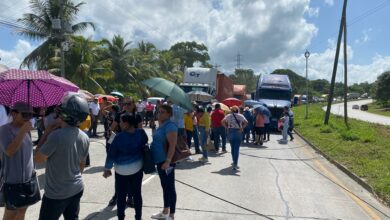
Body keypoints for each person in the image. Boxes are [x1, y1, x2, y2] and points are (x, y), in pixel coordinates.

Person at [35, 93, 90, 220]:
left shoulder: (56, 136)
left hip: (56, 194)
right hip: (76, 188)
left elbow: (38, 158)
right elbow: (81, 165)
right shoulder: (84, 137)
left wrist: (48, 130)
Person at [103, 114, 148, 220]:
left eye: (122, 122)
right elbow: (145, 141)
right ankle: (138, 217)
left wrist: (107, 168)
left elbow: (111, 154)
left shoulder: (118, 136)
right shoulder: (141, 133)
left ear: (127, 123)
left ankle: (121, 217)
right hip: (137, 168)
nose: (120, 124)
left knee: (121, 195)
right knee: (137, 194)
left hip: (121, 171)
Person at [0, 102, 36, 220]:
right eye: (25, 114)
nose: (28, 118)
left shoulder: (26, 130)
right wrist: (22, 132)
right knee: (11, 214)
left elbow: (29, 152)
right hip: (12, 180)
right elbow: (9, 151)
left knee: (22, 211)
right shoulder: (4, 130)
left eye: (30, 115)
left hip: (28, 179)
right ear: (14, 114)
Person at [108, 98, 141, 207]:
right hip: (121, 149)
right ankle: (116, 195)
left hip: (133, 149)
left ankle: (130, 197)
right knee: (119, 174)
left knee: (133, 174)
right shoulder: (119, 115)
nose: (126, 105)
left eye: (129, 104)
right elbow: (112, 128)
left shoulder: (137, 116)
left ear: (133, 105)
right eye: (124, 104)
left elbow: (140, 132)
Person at [150, 104, 177, 220]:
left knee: (169, 187)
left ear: (169, 114)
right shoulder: (161, 125)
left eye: (162, 112)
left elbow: (172, 145)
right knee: (165, 186)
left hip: (166, 162)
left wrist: (168, 161)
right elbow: (157, 139)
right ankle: (165, 211)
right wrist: (153, 128)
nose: (159, 114)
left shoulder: (170, 126)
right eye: (158, 112)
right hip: (159, 161)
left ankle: (171, 215)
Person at [222, 106, 248, 170]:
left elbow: (222, 121)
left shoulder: (228, 116)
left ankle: (234, 161)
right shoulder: (240, 116)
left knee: (232, 147)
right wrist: (242, 128)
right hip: (238, 132)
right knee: (236, 148)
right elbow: (246, 122)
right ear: (237, 110)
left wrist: (226, 127)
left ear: (232, 110)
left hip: (230, 132)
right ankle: (235, 163)